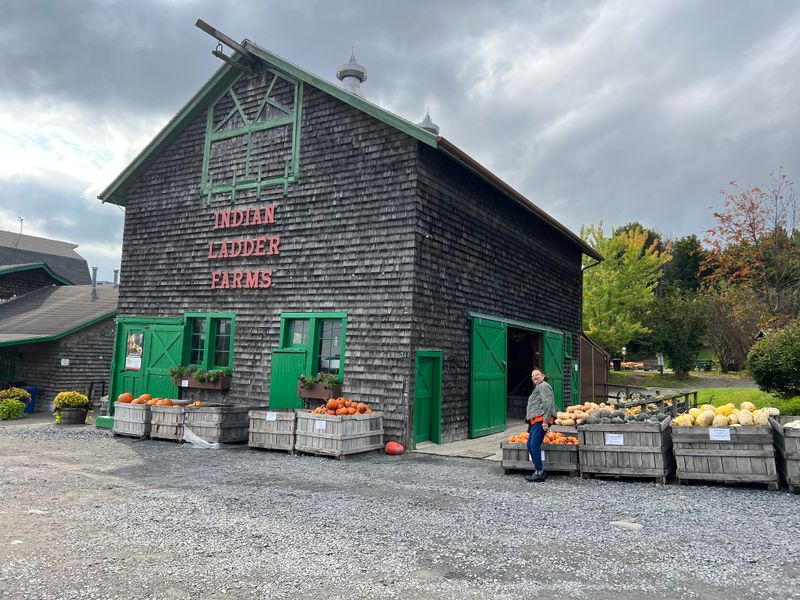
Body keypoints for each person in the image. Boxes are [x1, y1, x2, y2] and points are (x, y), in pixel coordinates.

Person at [525, 368, 555, 482]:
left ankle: (539, 473)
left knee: (534, 445)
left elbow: (548, 403)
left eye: (537, 375)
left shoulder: (544, 386)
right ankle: (539, 470)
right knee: (530, 445)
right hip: (535, 421)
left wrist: (545, 421)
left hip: (541, 420)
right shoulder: (539, 387)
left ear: (543, 376)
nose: (534, 377)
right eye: (532, 376)